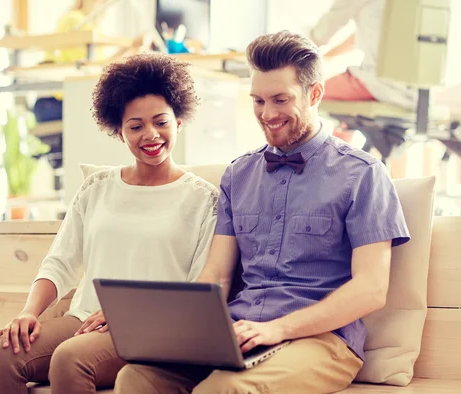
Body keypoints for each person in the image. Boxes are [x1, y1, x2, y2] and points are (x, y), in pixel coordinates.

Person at [114, 31, 410, 394]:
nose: (267, 114)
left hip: (322, 341)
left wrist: (278, 329)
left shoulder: (364, 175)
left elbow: (371, 289)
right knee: (136, 378)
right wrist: (179, 328)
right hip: (242, 331)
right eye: (258, 101)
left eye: (280, 99)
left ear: (314, 94)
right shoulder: (238, 175)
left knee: (222, 390)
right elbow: (218, 277)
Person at [0, 53, 219, 394]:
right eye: (136, 126)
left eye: (161, 122)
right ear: (120, 133)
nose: (150, 134)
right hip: (83, 319)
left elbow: (198, 289)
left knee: (70, 358)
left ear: (178, 122)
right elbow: (60, 263)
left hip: (150, 328)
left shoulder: (203, 199)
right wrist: (28, 312)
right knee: (4, 352)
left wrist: (131, 312)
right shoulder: (97, 188)